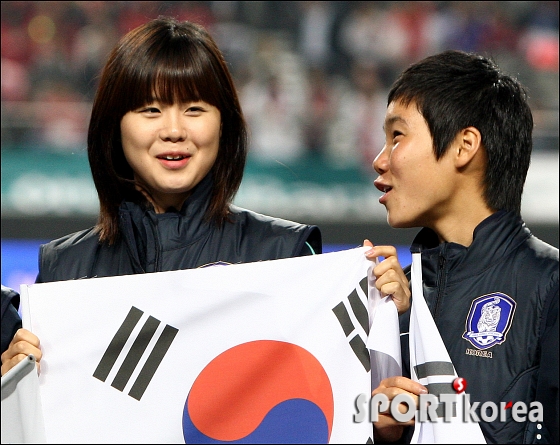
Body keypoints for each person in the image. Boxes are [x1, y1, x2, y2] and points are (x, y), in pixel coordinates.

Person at [2, 17, 325, 376]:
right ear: (114, 125)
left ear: (225, 124)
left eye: (194, 109)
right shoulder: (64, 270)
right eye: (151, 110)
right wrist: (15, 389)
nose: (173, 131)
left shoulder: (285, 256)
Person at [364, 50, 558, 444]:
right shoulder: (393, 301)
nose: (379, 160)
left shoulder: (550, 288)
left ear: (464, 145)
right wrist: (385, 436)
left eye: (397, 136)